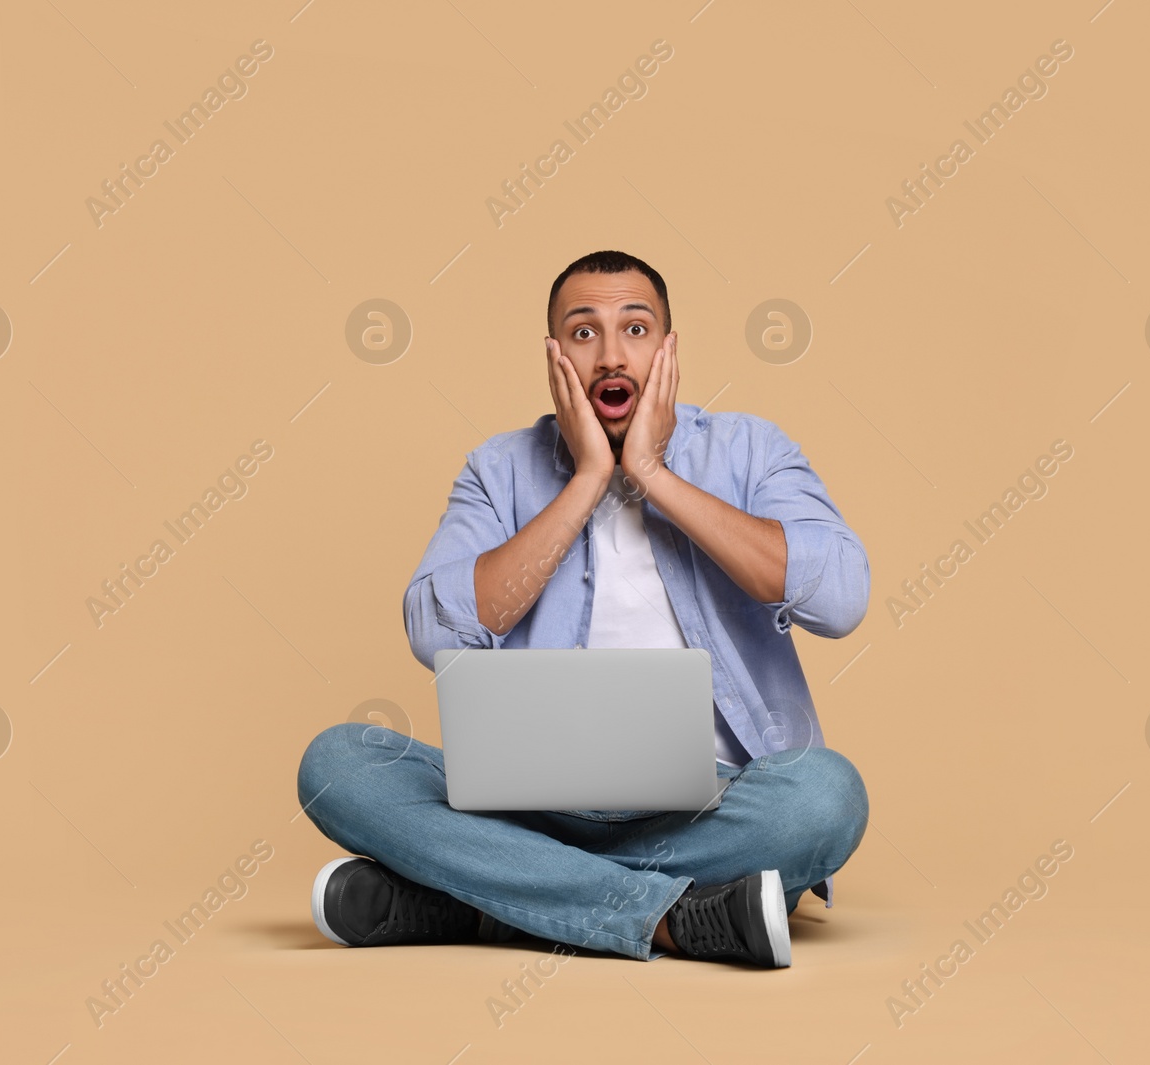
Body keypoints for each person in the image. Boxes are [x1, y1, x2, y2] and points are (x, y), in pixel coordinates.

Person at [297, 250, 871, 967]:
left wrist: (652, 475)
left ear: (668, 350)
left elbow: (841, 598)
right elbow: (435, 629)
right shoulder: (500, 467)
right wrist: (590, 478)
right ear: (553, 356)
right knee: (338, 765)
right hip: (529, 799)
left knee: (827, 798)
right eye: (582, 332)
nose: (610, 355)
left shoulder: (750, 449)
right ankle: (668, 915)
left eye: (635, 328)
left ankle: (492, 895)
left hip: (710, 804)